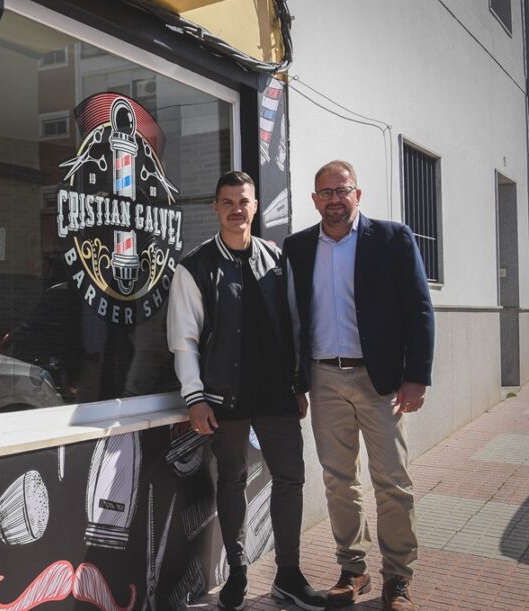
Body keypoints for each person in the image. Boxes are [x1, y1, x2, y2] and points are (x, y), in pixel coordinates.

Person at [167, 171, 326, 611]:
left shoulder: (277, 260)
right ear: (215, 208)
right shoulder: (194, 267)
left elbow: (294, 326)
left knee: (291, 477)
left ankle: (289, 574)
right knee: (232, 479)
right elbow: (184, 339)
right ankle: (237, 571)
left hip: (276, 394)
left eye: (245, 201)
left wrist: (297, 383)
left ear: (255, 207)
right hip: (225, 398)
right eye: (228, 201)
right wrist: (194, 396)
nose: (238, 208)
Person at [284, 160, 434, 611]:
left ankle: (398, 578)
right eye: (325, 193)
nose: (334, 200)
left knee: (392, 480)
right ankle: (354, 568)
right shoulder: (297, 247)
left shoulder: (391, 239)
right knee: (337, 480)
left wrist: (416, 377)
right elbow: (291, 321)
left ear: (357, 194)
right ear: (314, 200)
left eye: (342, 190)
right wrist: (297, 382)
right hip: (324, 377)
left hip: (381, 381)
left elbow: (419, 310)